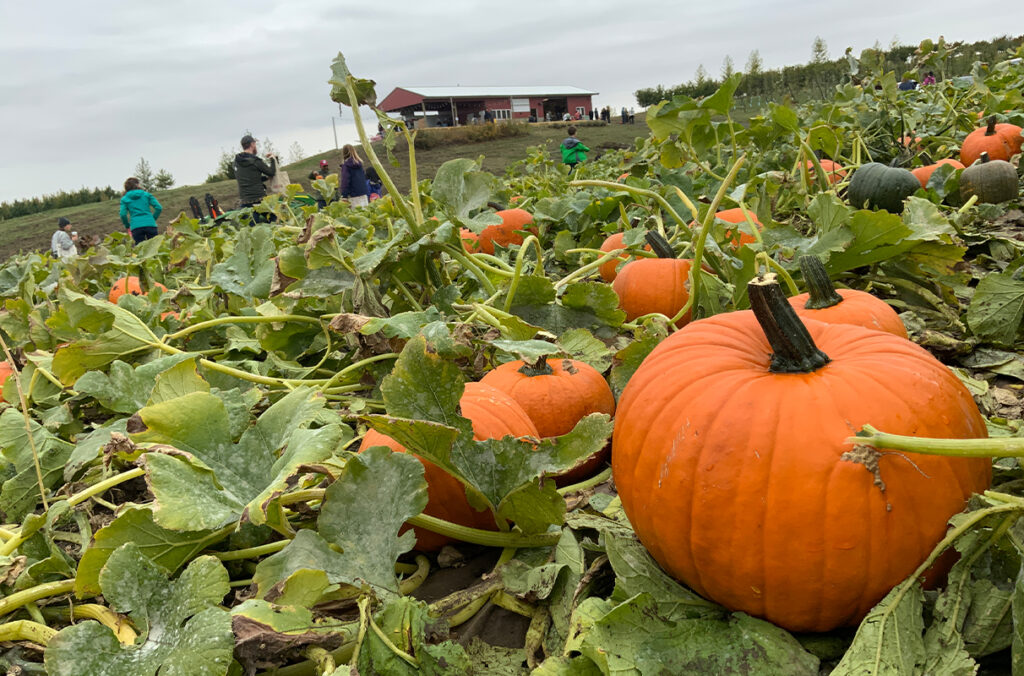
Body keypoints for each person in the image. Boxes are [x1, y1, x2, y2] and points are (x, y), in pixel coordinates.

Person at [234, 134, 278, 222]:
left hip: (245, 201)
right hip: (259, 200)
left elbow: (251, 178)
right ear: (252, 144)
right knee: (275, 221)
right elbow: (272, 172)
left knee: (250, 230)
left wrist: (265, 178)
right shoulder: (255, 161)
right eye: (255, 144)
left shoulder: (236, 162)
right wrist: (273, 159)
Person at [119, 177, 162, 244]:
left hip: (136, 227)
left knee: (140, 251)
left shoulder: (124, 199)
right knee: (155, 248)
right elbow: (158, 208)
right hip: (150, 224)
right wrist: (152, 219)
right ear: (138, 185)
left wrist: (127, 226)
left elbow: (123, 214)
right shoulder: (146, 195)